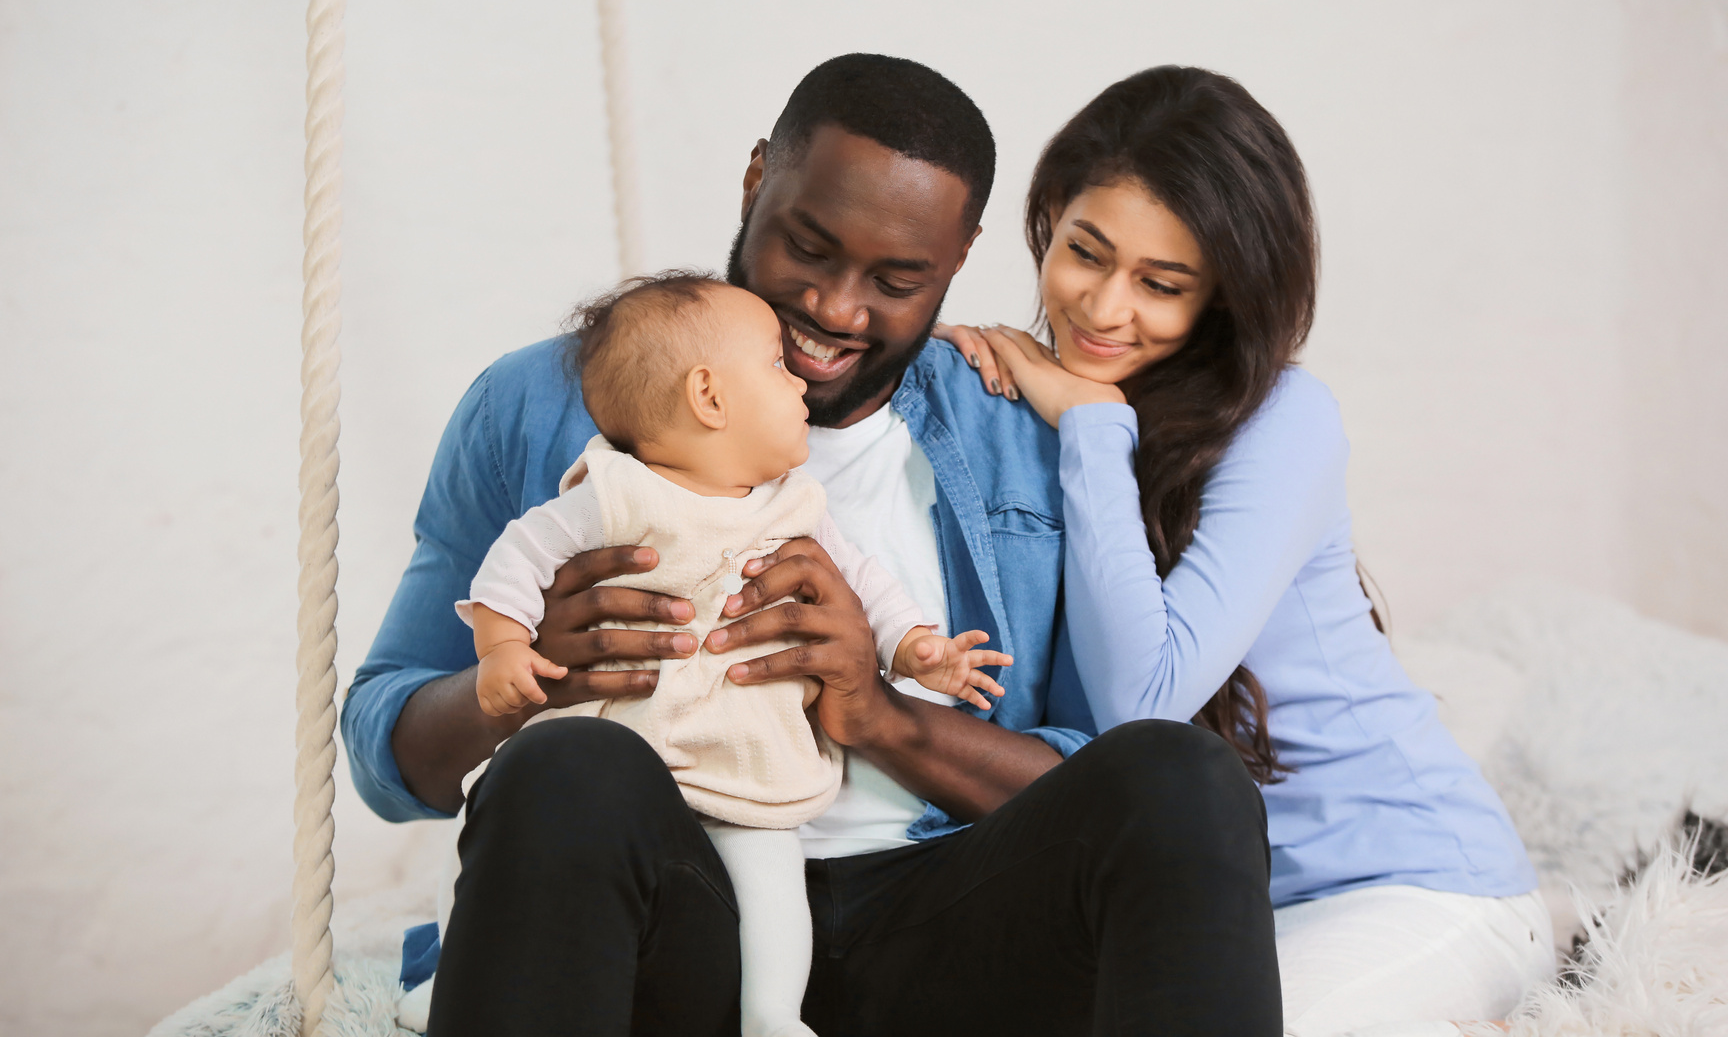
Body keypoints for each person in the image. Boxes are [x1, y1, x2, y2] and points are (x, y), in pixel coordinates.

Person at [341, 53, 1282, 1037]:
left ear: (958, 259)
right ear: (757, 180)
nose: (836, 308)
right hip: (688, 917)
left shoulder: (1022, 432)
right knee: (563, 764)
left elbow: (1098, 774)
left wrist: (880, 714)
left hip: (949, 923)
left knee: (1187, 777)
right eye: (810, 246)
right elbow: (386, 754)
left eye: (897, 278)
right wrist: (534, 679)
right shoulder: (540, 402)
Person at [937, 64, 1554, 1037]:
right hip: (1200, 916)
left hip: (1415, 890)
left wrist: (1092, 424)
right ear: (1047, 217)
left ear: (1223, 297)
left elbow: (1145, 702)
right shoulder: (1007, 390)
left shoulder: (1285, 420)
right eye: (1085, 253)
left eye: (1161, 284)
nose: (1102, 309)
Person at [445, 273, 1008, 1037]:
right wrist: (503, 647)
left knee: (772, 883)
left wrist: (912, 646)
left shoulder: (793, 501)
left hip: (747, 767)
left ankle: (772, 1016)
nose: (799, 380)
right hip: (627, 773)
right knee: (531, 844)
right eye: (778, 365)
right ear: (709, 398)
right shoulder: (619, 493)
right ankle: (452, 970)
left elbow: (865, 585)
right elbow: (516, 560)